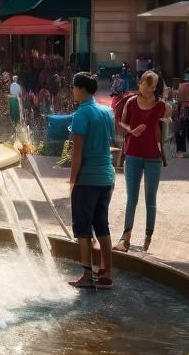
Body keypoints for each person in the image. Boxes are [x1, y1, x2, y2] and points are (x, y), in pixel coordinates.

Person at [67, 72, 116, 289]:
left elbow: (77, 155)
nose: (73, 91)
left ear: (81, 89)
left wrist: (72, 182)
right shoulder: (106, 112)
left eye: (74, 87)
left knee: (83, 228)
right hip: (107, 177)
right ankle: (106, 273)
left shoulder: (81, 114)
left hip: (87, 179)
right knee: (102, 225)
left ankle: (87, 275)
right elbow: (111, 142)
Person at [115, 70, 166, 253]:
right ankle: (125, 237)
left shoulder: (161, 105)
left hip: (153, 157)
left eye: (154, 86)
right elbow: (121, 124)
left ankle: (148, 236)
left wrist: (167, 120)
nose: (151, 89)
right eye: (149, 85)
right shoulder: (130, 102)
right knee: (132, 198)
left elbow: (166, 122)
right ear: (141, 83)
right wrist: (131, 130)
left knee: (150, 198)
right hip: (133, 155)